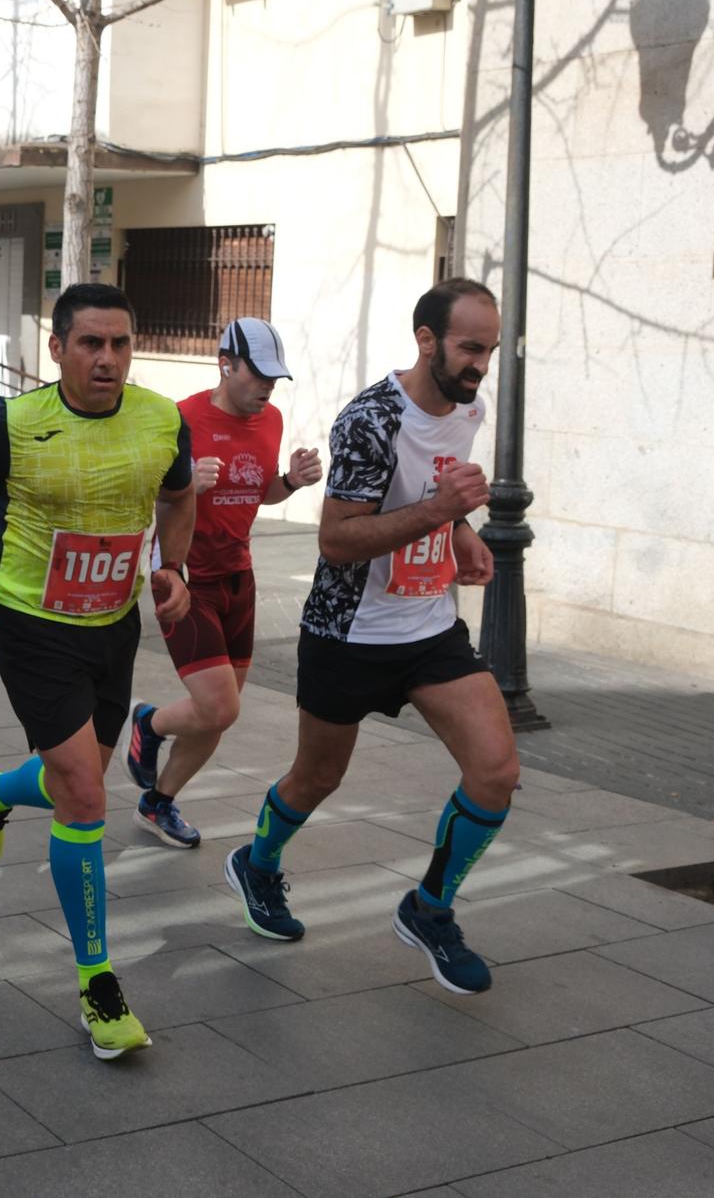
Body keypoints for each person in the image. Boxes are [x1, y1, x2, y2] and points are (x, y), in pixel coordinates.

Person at [224, 278, 510, 996]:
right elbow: (339, 540)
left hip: (429, 627)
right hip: (348, 633)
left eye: (490, 349)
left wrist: (461, 531)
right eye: (470, 347)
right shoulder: (371, 419)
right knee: (318, 776)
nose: (480, 365)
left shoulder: (469, 406)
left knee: (496, 771)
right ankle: (258, 863)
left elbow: (431, 491)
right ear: (427, 339)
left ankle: (429, 907)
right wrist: (439, 512)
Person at [0, 283, 197, 1061]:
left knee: (72, 775)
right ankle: (97, 978)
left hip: (113, 624)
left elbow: (180, 495)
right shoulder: (11, 423)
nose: (108, 359)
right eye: (90, 343)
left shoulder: (162, 418)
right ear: (56, 349)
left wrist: (174, 567)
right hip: (28, 619)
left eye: (120, 343)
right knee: (86, 790)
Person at [122, 319, 323, 847]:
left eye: (275, 379)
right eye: (258, 376)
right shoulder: (180, 418)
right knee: (219, 706)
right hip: (185, 578)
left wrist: (290, 483)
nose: (267, 389)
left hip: (239, 577)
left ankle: (157, 802)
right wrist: (185, 483)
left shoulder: (271, 419)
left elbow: (259, 492)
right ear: (225, 365)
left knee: (218, 716)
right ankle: (149, 724)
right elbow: (137, 496)